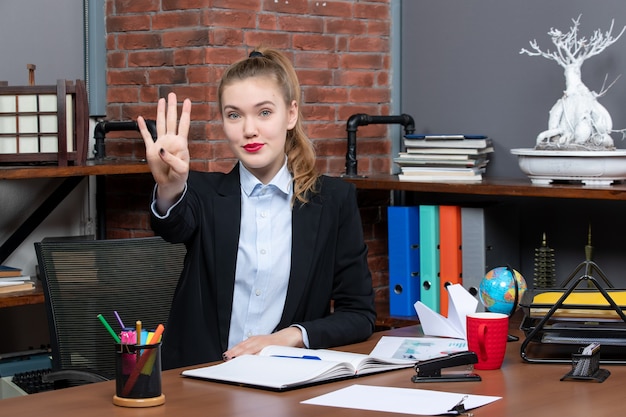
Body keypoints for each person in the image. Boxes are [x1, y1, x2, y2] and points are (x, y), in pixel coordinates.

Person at [138, 47, 376, 370]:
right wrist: (169, 187)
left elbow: (360, 315)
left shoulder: (333, 201)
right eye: (234, 115)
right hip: (199, 382)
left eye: (264, 112)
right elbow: (172, 224)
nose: (249, 129)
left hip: (285, 380)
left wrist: (289, 336)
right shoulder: (202, 193)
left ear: (290, 114)